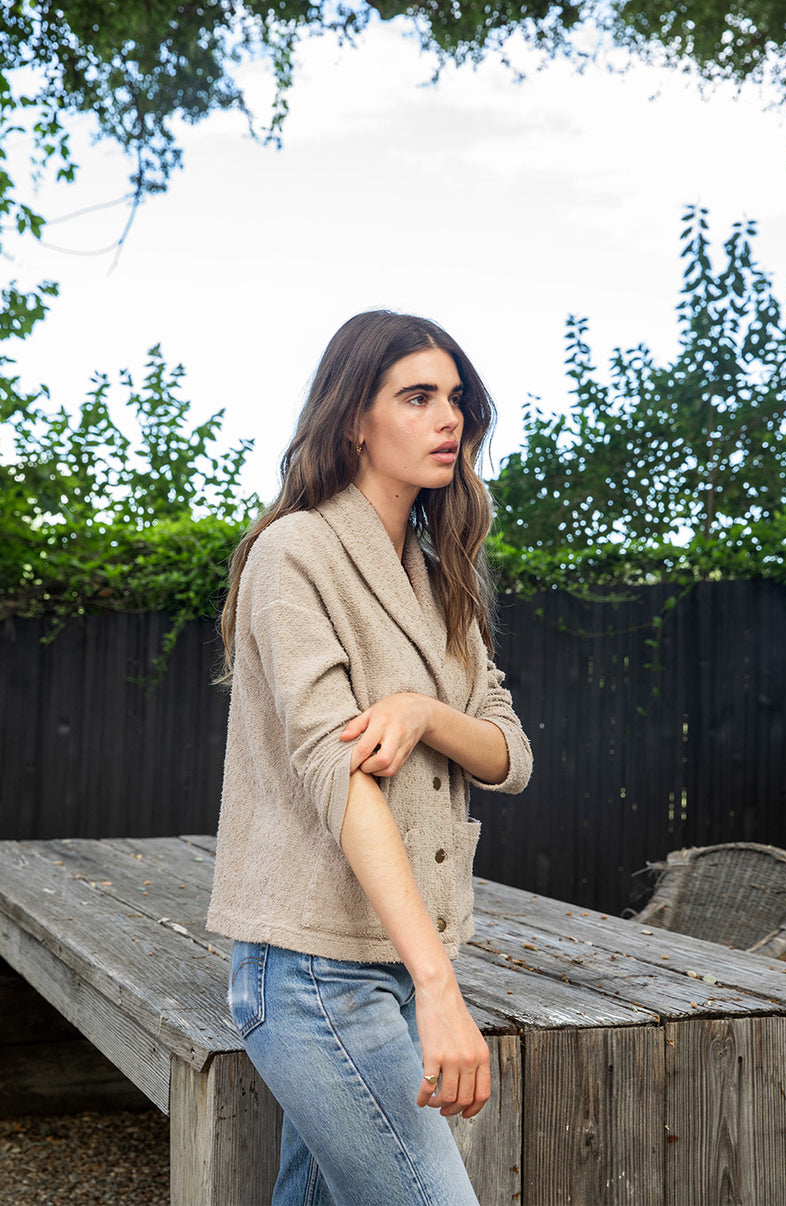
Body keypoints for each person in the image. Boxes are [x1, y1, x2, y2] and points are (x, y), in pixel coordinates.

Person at [207, 310, 532, 1205]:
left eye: (456, 399)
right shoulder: (296, 552)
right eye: (417, 397)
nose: (449, 420)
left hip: (393, 956)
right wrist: (440, 989)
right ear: (354, 417)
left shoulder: (439, 572)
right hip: (316, 970)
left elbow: (509, 753)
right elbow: (339, 774)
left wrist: (423, 710)